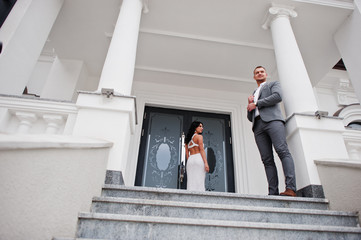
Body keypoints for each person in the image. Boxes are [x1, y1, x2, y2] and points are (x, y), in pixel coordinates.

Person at [247, 66, 297, 197]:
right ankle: (273, 192)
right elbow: (249, 117)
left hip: (273, 121)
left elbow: (277, 96)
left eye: (261, 72)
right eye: (256, 73)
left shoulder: (273, 84)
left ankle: (290, 188)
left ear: (266, 74)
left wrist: (257, 103)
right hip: (257, 126)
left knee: (282, 151)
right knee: (267, 160)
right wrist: (250, 105)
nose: (259, 74)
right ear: (254, 77)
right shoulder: (253, 93)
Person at [184, 121, 209, 191]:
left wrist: (190, 161)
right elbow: (201, 150)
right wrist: (206, 163)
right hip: (198, 158)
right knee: (199, 180)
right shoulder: (199, 137)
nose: (202, 128)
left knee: (191, 181)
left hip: (190, 160)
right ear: (195, 128)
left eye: (202, 126)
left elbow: (187, 154)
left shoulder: (187, 140)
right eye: (200, 126)